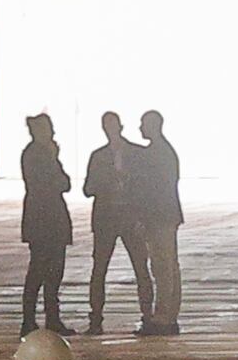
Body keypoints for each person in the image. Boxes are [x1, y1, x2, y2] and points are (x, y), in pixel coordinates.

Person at [128, 109, 186, 338]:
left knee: (163, 268)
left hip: (159, 218)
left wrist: (143, 218)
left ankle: (163, 318)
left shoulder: (155, 154)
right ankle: (168, 316)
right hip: (166, 216)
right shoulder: (164, 151)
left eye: (143, 124)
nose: (140, 128)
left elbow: (152, 191)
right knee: (168, 267)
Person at [13, 114, 71, 335]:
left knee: (52, 272)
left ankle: (49, 318)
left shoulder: (39, 153)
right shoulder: (37, 155)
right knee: (39, 271)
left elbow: (64, 183)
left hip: (48, 219)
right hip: (43, 219)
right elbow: (57, 183)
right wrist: (54, 158)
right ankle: (31, 319)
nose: (53, 133)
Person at [78, 110, 135, 335]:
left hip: (127, 218)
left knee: (139, 267)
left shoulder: (134, 154)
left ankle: (147, 316)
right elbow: (88, 188)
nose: (109, 130)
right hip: (107, 219)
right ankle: (96, 319)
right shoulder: (99, 156)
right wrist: (106, 182)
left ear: (120, 126)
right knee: (100, 269)